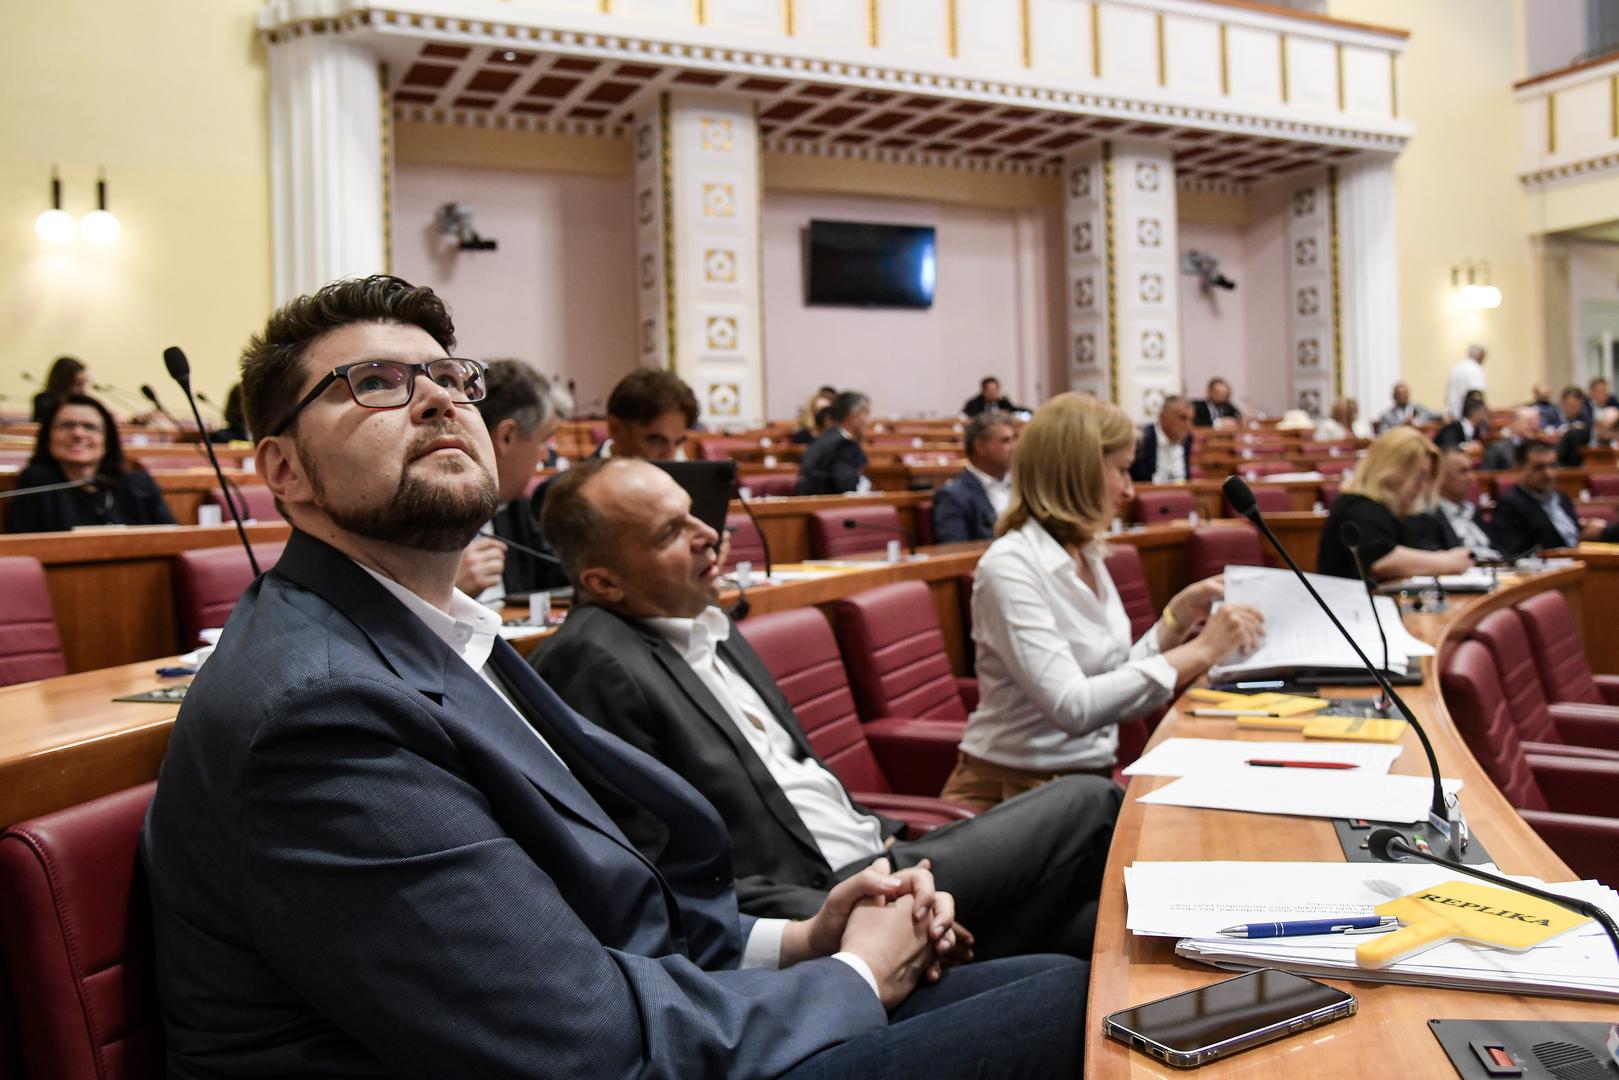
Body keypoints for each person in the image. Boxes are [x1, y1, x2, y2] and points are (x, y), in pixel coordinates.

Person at [140, 274, 1086, 1080]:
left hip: (640, 1014)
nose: (434, 400)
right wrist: (851, 978)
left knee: (1060, 964)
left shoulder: (433, 633)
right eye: (373, 384)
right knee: (1071, 1007)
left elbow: (606, 912)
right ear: (284, 470)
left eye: (448, 378)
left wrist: (801, 940)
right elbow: (576, 1044)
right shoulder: (316, 709)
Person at [531, 456, 1121, 961]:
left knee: (1089, 928)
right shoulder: (593, 662)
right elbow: (664, 875)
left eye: (692, 512)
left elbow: (800, 784)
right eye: (669, 533)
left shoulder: (710, 624)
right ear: (604, 584)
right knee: (1089, 802)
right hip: (831, 897)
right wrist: (855, 921)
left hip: (888, 856)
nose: (706, 532)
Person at [936, 394, 1265, 811]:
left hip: (1079, 783)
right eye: (1122, 470)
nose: (1130, 490)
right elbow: (1074, 707)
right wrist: (1202, 649)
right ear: (1079, 472)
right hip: (1012, 793)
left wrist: (1176, 619)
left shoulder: (1086, 552)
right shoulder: (1010, 566)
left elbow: (1114, 680)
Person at [531, 367, 699, 536]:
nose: (669, 456)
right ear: (615, 429)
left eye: (678, 442)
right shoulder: (561, 494)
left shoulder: (688, 489)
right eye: (655, 440)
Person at [455, 359, 565, 603]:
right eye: (544, 440)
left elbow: (555, 576)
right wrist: (449, 594)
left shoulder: (514, 505)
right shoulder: (420, 509)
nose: (546, 454)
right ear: (506, 437)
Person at [1316, 427, 1471, 581]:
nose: (1422, 487)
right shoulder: (1358, 507)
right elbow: (1381, 560)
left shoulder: (1389, 511)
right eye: (1418, 477)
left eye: (1427, 479)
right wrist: (1448, 561)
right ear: (1392, 470)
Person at [4, 394, 175, 533]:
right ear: (48, 436)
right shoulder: (35, 484)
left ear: (107, 441)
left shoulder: (138, 485)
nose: (78, 433)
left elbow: (174, 540)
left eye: (90, 427)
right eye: (67, 425)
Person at [1491, 440, 1612, 555]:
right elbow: (1518, 553)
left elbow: (1573, 537)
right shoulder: (1510, 505)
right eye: (1539, 468)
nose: (1549, 473)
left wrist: (1586, 531)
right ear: (1519, 468)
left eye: (1553, 466)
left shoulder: (1561, 498)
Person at [1400, 449, 1501, 562]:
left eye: (1471, 470)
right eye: (1463, 471)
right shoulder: (1425, 515)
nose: (1472, 478)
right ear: (1440, 477)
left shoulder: (1471, 510)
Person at [932, 411, 1016, 543]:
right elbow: (956, 552)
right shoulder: (953, 496)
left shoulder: (1022, 486)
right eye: (1005, 441)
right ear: (980, 447)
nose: (1014, 448)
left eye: (1013, 440)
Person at [796, 391, 871, 495]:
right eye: (866, 413)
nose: (868, 421)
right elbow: (849, 488)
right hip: (829, 507)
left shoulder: (821, 441)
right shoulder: (843, 446)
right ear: (853, 416)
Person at [1128, 395, 1194, 483]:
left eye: (1191, 420)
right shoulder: (1142, 439)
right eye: (1182, 418)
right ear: (1163, 418)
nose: (1188, 426)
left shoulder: (1187, 440)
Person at [1479, 406, 1541, 471]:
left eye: (1537, 423)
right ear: (1514, 423)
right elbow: (1485, 477)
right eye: (1530, 423)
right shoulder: (1497, 449)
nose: (1535, 427)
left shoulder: (1540, 447)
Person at [31, 355, 89, 421]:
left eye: (85, 383)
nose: (84, 390)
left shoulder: (84, 403)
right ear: (63, 383)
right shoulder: (44, 400)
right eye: (78, 384)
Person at [1444, 343, 1487, 420]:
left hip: (1452, 414)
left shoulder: (1456, 368)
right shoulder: (1476, 369)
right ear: (1480, 356)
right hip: (1467, 417)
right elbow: (1476, 395)